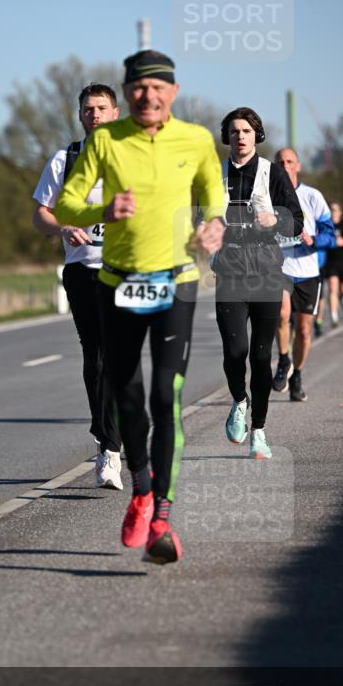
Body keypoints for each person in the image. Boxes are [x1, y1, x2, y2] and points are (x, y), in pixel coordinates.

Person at [55, 50, 225, 565]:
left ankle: (163, 518)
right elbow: (66, 204)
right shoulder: (105, 140)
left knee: (164, 395)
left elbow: (212, 195)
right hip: (118, 282)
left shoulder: (194, 140)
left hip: (177, 280)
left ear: (172, 92)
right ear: (127, 94)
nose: (148, 96)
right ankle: (141, 490)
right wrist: (102, 209)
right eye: (138, 88)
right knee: (126, 395)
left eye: (158, 88)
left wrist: (213, 225)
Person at [32, 83, 123, 489]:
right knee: (97, 357)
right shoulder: (66, 158)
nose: (95, 115)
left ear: (116, 113)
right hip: (83, 272)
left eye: (102, 108)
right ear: (80, 115)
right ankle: (108, 445)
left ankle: (114, 439)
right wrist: (64, 227)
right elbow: (40, 215)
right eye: (88, 109)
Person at [213, 110, 303, 459]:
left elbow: (296, 221)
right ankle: (239, 399)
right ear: (227, 136)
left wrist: (276, 217)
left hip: (266, 273)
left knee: (261, 356)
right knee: (235, 353)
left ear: (256, 135)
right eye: (234, 131)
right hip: (230, 274)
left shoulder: (272, 172)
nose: (240, 136)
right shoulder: (215, 173)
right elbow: (195, 214)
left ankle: (260, 431)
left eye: (247, 131)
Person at [272, 148, 335, 402]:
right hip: (279, 269)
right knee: (281, 314)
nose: (285, 165)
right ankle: (283, 360)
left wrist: (314, 239)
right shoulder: (268, 197)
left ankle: (297, 375)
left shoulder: (312, 196)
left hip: (308, 271)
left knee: (305, 330)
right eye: (280, 162)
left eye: (289, 161)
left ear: (297, 166)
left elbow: (330, 235)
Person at [317, 201, 343, 329]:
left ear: (340, 212)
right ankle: (334, 317)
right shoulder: (325, 225)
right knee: (332, 288)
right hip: (330, 262)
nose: (333, 212)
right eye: (331, 209)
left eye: (335, 210)